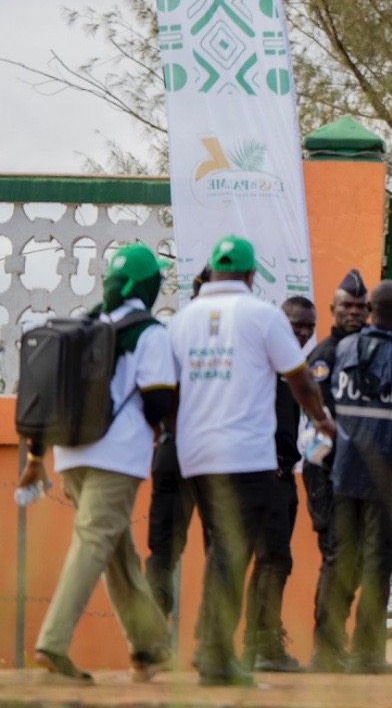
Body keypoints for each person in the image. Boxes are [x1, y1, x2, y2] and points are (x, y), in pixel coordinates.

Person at [166, 236, 335, 687]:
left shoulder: (181, 322)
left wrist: (180, 437)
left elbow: (168, 392)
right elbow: (301, 381)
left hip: (196, 457)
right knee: (234, 552)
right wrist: (323, 421)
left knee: (221, 548)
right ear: (250, 274)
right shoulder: (261, 315)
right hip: (245, 457)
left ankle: (212, 649)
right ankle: (213, 653)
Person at [22, 243, 175, 683]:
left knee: (118, 552)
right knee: (94, 543)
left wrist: (35, 456)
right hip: (116, 455)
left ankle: (149, 649)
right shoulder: (150, 333)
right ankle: (53, 643)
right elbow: (157, 403)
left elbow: (47, 391)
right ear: (148, 286)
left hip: (70, 453)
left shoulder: (86, 323)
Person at [313, 279, 392, 674]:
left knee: (339, 562)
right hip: (387, 480)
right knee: (378, 565)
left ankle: (327, 652)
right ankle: (366, 655)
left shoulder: (343, 349)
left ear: (369, 310)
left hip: (344, 474)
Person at [239, 295, 316, 673]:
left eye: (308, 327)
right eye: (295, 324)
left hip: (285, 476)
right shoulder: (261, 366)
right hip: (263, 476)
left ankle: (260, 643)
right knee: (272, 561)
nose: (302, 332)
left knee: (272, 562)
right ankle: (263, 645)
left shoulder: (294, 371)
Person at [302, 267, 370, 660]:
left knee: (354, 559)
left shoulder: (371, 352)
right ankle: (326, 648)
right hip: (327, 470)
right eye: (348, 306)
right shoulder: (324, 356)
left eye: (361, 306)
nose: (355, 312)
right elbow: (323, 416)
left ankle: (334, 641)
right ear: (333, 309)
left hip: (359, 474)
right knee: (337, 555)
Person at [145, 266, 208, 626]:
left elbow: (154, 393)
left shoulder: (172, 333)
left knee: (163, 552)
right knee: (223, 550)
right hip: (215, 456)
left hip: (172, 447)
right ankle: (211, 643)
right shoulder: (239, 335)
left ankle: (152, 634)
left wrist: (160, 429)